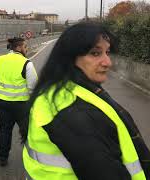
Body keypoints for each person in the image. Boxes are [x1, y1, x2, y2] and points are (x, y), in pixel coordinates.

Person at [22, 22, 150, 180]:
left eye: (107, 52)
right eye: (95, 53)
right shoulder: (73, 109)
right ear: (70, 58)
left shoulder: (59, 91)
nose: (107, 62)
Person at [0, 37, 38, 166]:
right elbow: (32, 86)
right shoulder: (26, 63)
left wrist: (1, 95)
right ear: (18, 48)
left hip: (3, 103)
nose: (26, 49)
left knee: (4, 129)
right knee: (27, 131)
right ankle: (31, 156)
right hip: (22, 104)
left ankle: (2, 157)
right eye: (25, 46)